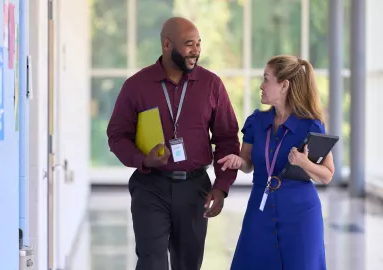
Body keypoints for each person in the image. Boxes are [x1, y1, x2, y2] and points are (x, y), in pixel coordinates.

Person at [106, 17, 240, 270]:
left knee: (187, 264)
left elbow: (227, 139)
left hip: (195, 188)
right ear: (167, 44)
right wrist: (143, 160)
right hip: (150, 186)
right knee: (152, 262)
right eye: (189, 44)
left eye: (199, 44)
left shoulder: (212, 85)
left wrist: (222, 187)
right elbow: (117, 135)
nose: (197, 50)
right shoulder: (137, 86)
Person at [218, 55, 335, 270]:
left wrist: (303, 163)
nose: (261, 86)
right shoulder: (256, 122)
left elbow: (327, 174)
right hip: (260, 209)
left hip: (300, 214)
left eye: (266, 79)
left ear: (284, 86)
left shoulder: (311, 126)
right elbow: (248, 163)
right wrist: (238, 161)